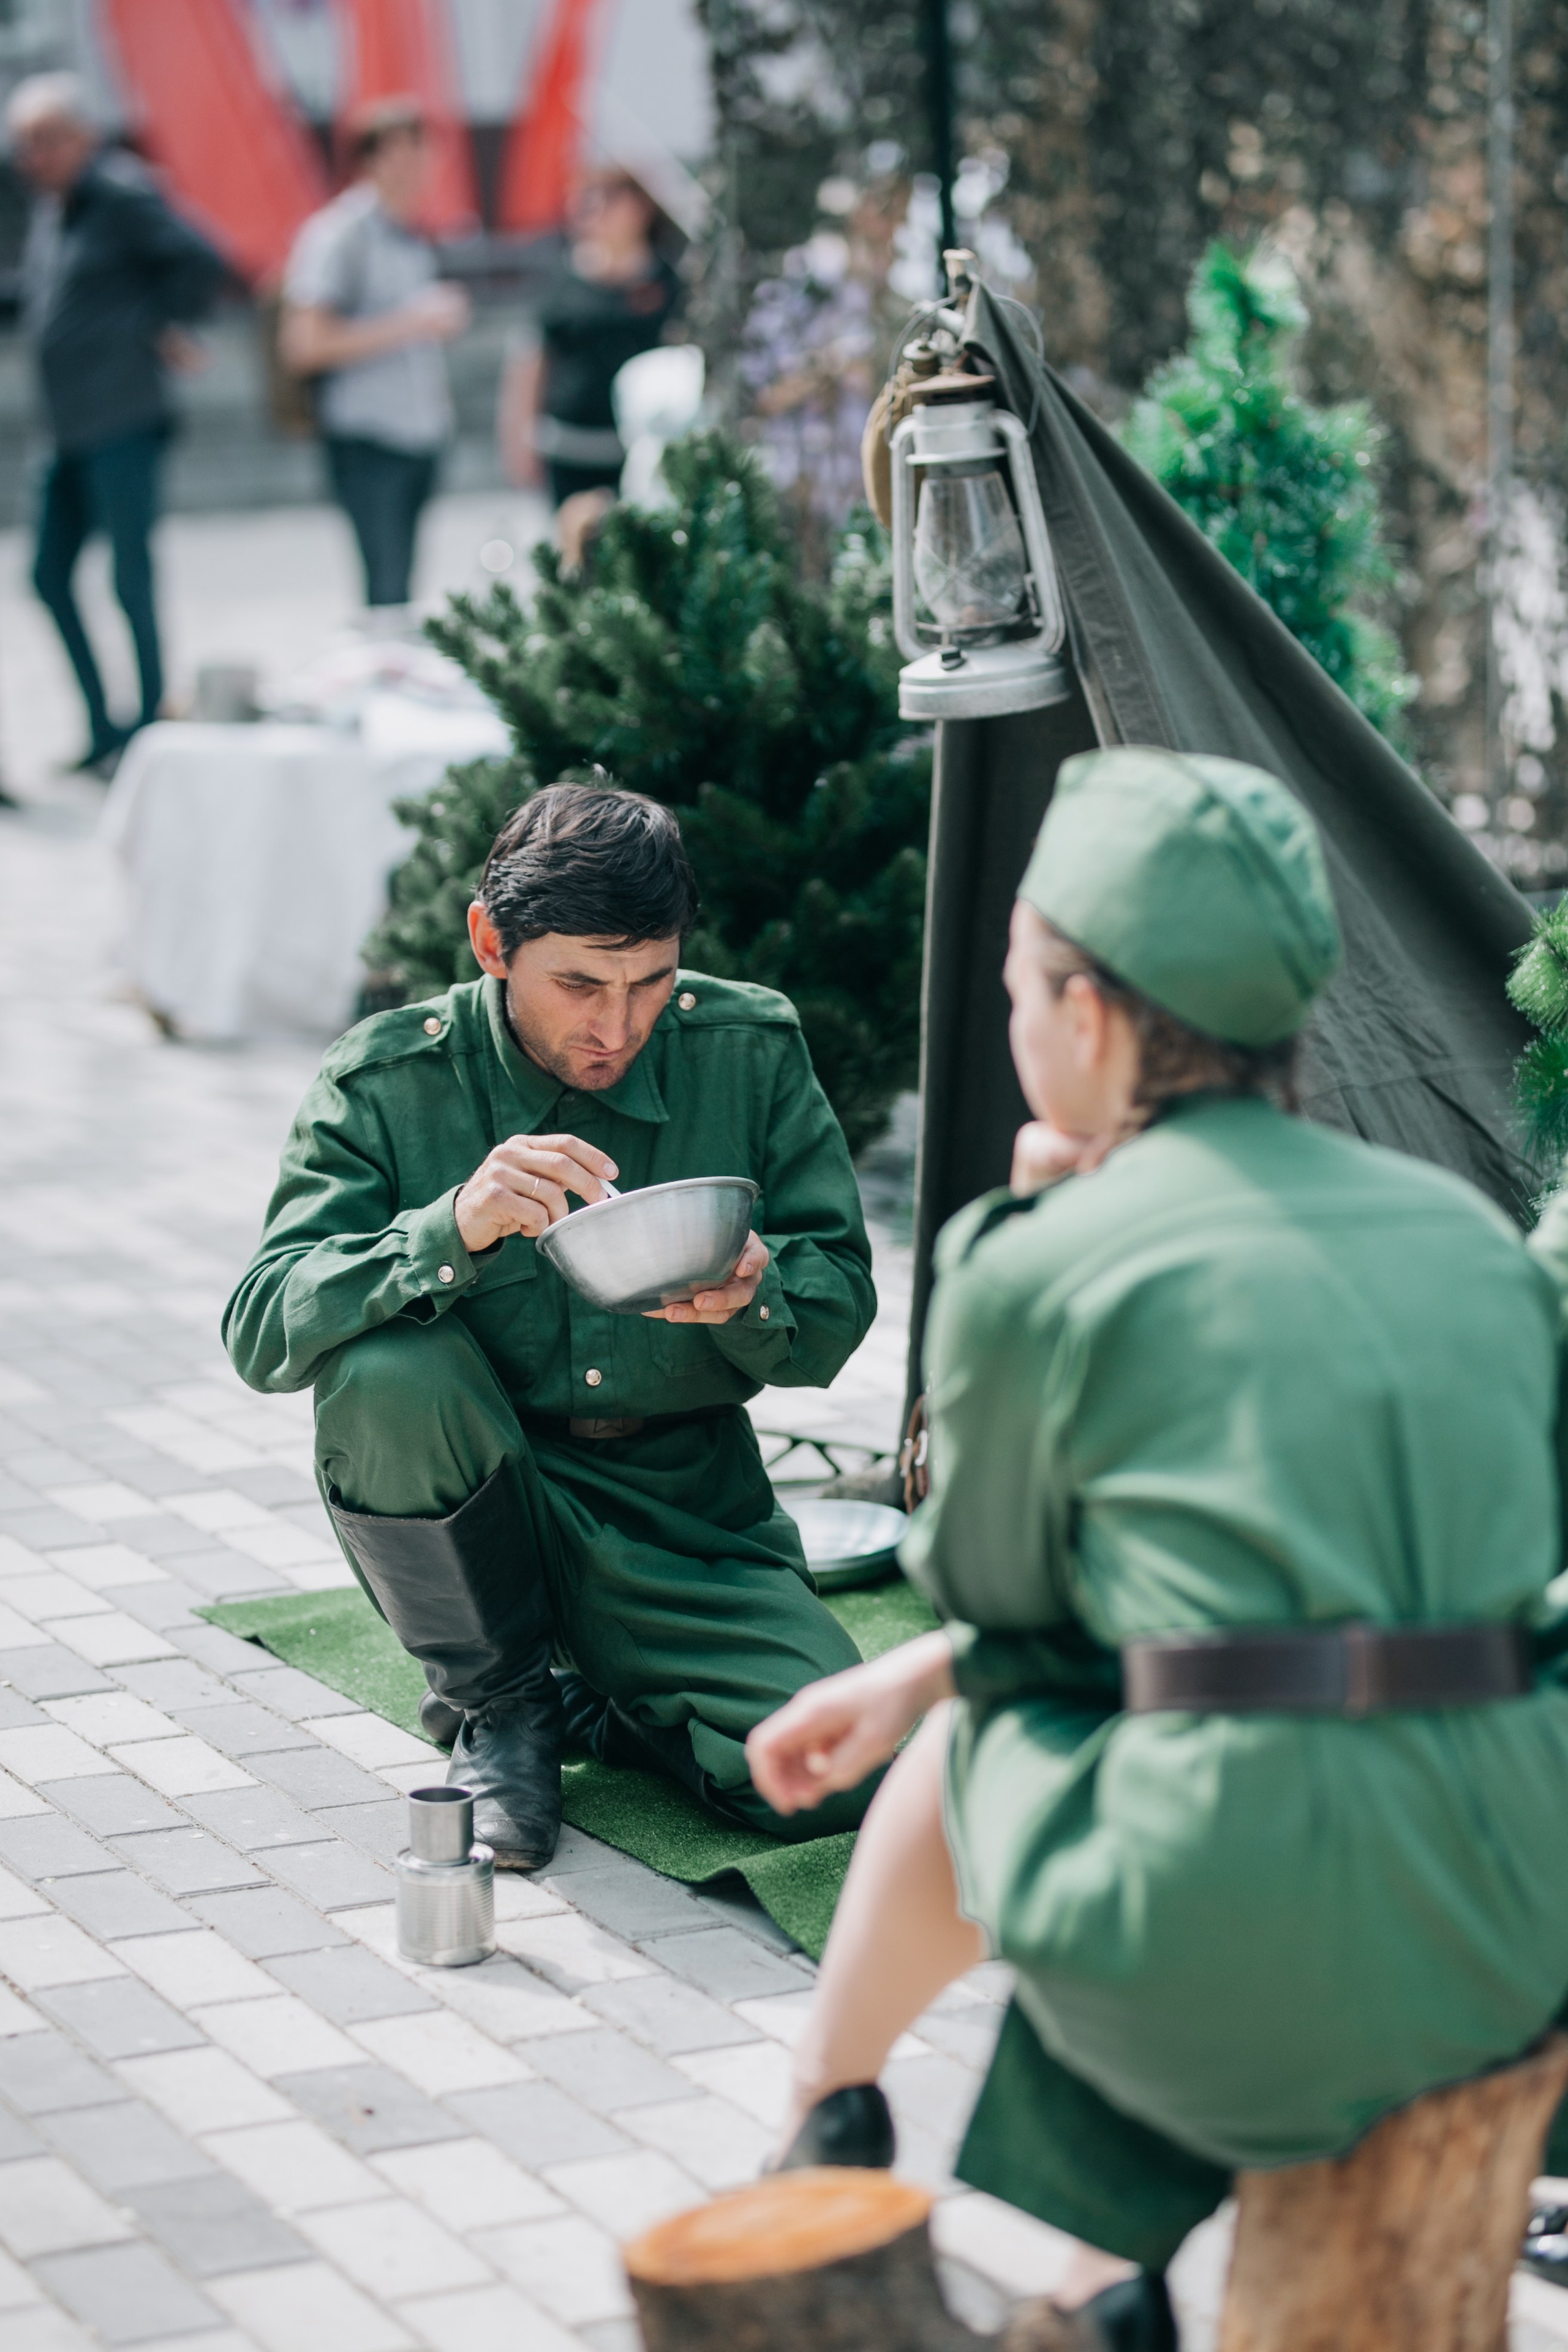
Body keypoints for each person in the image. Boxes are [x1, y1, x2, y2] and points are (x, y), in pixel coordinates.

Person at [747, 746, 1568, 2352]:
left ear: (1093, 1017)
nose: (1009, 1025)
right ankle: (1061, 2263)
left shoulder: (1041, 1265)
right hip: (1517, 1909)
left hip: (1234, 1929)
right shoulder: (1470, 1238)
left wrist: (1044, 1222)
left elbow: (1007, 1603)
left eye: (1013, 990)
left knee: (1014, 1740)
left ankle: (837, 2118)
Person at [224, 782, 878, 1871]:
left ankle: (603, 1704)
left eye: (651, 983)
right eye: (579, 983)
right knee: (385, 1368)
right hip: (487, 1494)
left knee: (828, 1774)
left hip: (684, 1515)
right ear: (492, 942)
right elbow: (262, 1328)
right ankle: (502, 1706)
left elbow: (838, 1302)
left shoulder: (749, 1050)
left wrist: (757, 1293)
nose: (615, 1026)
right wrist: (445, 1231)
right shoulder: (388, 1079)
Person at [9, 73, 225, 774]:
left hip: (123, 419)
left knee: (130, 576)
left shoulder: (123, 193)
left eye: (42, 141)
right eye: (22, 145)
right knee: (47, 575)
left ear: (82, 136)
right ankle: (105, 725)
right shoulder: (55, 210)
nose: (29, 157)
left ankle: (150, 729)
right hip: (66, 429)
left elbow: (201, 259)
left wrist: (161, 324)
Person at [281, 97, 469, 609]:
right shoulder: (338, 235)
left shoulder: (409, 232)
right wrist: (412, 323)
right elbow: (306, 343)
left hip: (419, 432)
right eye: (402, 155)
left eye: (422, 154)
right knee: (385, 588)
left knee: (402, 587)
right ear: (371, 160)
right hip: (366, 434)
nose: (417, 169)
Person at [499, 168, 682, 511]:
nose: (595, 216)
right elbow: (530, 362)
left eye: (608, 204)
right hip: (569, 450)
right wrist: (518, 443)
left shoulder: (671, 282)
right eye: (588, 206)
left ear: (639, 209)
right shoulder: (561, 279)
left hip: (644, 454)